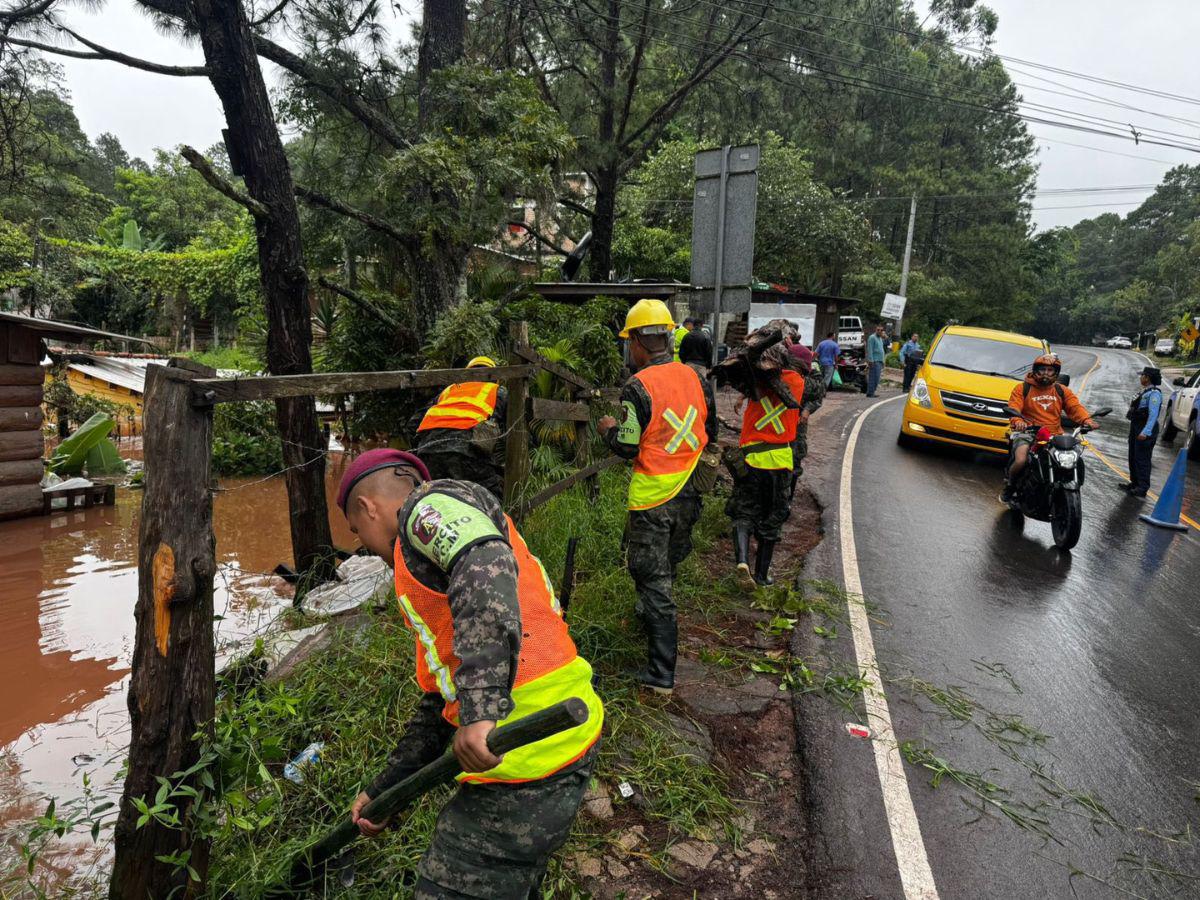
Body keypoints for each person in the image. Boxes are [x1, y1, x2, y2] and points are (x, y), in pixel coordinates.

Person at [336, 448, 604, 899]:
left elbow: (482, 564)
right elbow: (441, 702)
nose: (363, 542)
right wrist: (386, 792)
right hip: (556, 744)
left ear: (368, 507)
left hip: (526, 756)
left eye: (356, 530)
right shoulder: (427, 567)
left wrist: (481, 710)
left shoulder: (425, 507)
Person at [598, 299, 715, 694]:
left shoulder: (638, 386)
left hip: (653, 499)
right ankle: (648, 620)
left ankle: (661, 673)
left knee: (653, 579)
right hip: (690, 492)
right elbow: (708, 427)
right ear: (666, 336)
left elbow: (628, 447)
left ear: (638, 343)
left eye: (629, 341)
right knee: (667, 568)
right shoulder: (696, 378)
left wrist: (609, 428)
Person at [727, 359, 806, 590]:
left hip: (751, 457)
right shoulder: (797, 382)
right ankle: (761, 576)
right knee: (773, 516)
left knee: (744, 511)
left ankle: (742, 561)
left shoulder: (754, 382)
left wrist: (743, 395)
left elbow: (744, 381)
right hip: (780, 461)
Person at [1003, 355, 1096, 502]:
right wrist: (1017, 420)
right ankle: (1010, 486)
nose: (1046, 373)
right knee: (1021, 459)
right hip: (1028, 431)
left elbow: (1074, 407)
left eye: (1050, 370)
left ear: (1056, 373)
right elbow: (1014, 406)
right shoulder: (1022, 388)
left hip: (1054, 434)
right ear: (1035, 371)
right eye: (1042, 369)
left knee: (1072, 458)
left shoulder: (1061, 390)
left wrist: (1087, 420)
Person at [414, 356, 508, 499]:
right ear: (495, 377)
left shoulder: (449, 390)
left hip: (428, 450)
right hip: (467, 451)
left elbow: (413, 423)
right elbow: (512, 426)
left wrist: (421, 447)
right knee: (489, 498)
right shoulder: (497, 390)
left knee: (437, 499)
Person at [786, 342, 824, 497]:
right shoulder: (781, 371)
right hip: (780, 419)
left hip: (798, 422)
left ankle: (789, 496)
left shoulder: (813, 376)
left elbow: (817, 397)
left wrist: (807, 410)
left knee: (796, 455)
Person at [1122, 366, 1163, 498]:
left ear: (1147, 377)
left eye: (1142, 375)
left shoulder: (1154, 394)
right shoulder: (1145, 391)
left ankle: (1142, 487)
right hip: (1136, 426)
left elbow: (1153, 415)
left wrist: (1146, 432)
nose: (1141, 378)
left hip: (1145, 428)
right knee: (1133, 456)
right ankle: (1134, 483)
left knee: (1142, 459)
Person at [865, 324, 886, 397]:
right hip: (874, 361)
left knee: (877, 378)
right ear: (875, 330)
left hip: (879, 361)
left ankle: (871, 392)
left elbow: (881, 350)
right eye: (878, 330)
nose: (880, 331)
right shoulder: (872, 337)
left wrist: (883, 361)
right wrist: (870, 360)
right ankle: (870, 393)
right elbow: (870, 349)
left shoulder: (880, 338)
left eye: (881, 330)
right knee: (873, 377)